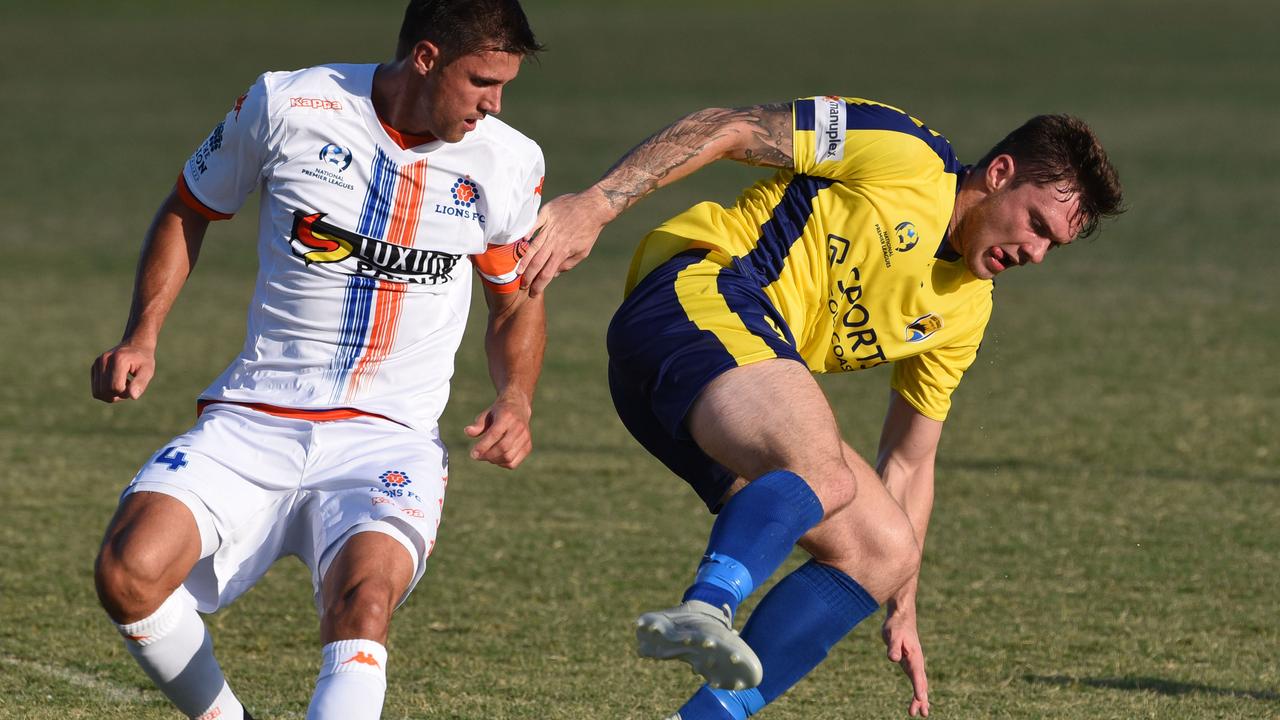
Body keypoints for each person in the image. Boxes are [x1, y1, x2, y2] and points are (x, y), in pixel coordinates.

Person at [518, 98, 1124, 718]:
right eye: (1038, 225)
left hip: (697, 394)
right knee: (822, 470)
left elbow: (911, 463)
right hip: (694, 298)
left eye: (1056, 246)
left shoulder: (966, 309)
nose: (1036, 254)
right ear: (999, 174)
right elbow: (731, 129)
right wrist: (599, 202)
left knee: (885, 548)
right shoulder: (903, 152)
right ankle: (705, 609)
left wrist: (901, 600)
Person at [90, 2, 546, 718]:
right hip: (254, 418)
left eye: (505, 87)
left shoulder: (509, 161)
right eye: (483, 82)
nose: (494, 105)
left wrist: (516, 395)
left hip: (387, 438)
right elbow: (190, 207)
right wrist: (142, 334)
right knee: (128, 571)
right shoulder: (289, 102)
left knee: (363, 604)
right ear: (426, 58)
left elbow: (513, 302)